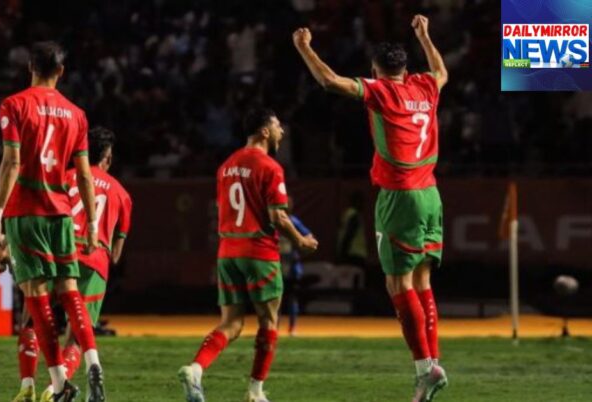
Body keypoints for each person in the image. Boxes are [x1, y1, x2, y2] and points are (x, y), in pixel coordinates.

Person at [294, 14, 448, 402]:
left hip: (400, 195)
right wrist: (426, 37)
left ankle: (422, 370)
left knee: (398, 284)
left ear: (376, 71)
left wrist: (304, 47)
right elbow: (441, 70)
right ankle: (434, 367)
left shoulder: (381, 92)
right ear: (407, 69)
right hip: (431, 193)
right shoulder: (426, 86)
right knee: (424, 283)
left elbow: (330, 82)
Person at [0, 41, 104, 402]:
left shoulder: (15, 104)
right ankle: (93, 361)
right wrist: (93, 225)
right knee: (69, 291)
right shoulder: (77, 114)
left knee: (36, 298)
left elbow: (12, 163)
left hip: (27, 211)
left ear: (29, 67)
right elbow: (83, 175)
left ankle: (57, 379)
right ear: (61, 72)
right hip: (63, 214)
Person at [178, 108, 318, 402]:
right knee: (268, 322)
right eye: (278, 126)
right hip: (259, 251)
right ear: (265, 131)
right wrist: (301, 240)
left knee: (231, 323)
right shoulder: (270, 167)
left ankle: (196, 369)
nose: (282, 131)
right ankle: (255, 391)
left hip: (228, 251)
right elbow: (278, 217)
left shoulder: (225, 166)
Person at [2, 127, 133, 402]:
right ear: (107, 158)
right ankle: (55, 389)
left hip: (57, 251)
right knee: (76, 336)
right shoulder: (123, 195)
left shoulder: (62, 177)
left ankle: (28, 386)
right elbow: (117, 254)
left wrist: (7, 246)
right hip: (95, 260)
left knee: (31, 320)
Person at [277, 196, 313, 336]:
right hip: (277, 267)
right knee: (276, 299)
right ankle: (274, 328)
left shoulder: (294, 222)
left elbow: (309, 236)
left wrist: (301, 249)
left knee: (291, 298)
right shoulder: (274, 222)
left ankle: (292, 327)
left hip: (291, 268)